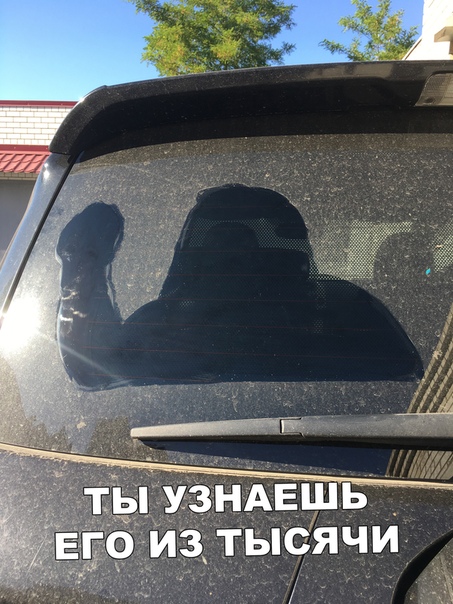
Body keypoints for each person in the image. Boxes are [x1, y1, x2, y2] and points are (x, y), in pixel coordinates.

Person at [56, 183, 423, 390]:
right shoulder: (351, 310)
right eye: (226, 245)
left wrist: (84, 274)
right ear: (300, 246)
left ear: (187, 253)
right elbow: (409, 387)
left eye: (243, 247)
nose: (239, 258)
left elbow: (94, 376)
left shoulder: (157, 323)